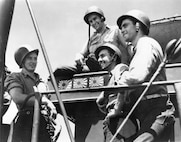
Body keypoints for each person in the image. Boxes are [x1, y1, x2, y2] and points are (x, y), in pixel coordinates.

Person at [115, 10, 175, 142]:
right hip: (146, 112)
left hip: (158, 110)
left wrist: (118, 79)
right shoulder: (139, 48)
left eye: (125, 25)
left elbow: (136, 76)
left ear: (137, 26)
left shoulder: (145, 43)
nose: (122, 30)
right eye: (120, 27)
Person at [54, 6, 129, 81]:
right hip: (91, 67)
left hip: (108, 67)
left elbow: (128, 47)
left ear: (102, 18)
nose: (93, 23)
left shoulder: (114, 30)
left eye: (95, 19)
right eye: (91, 21)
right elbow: (82, 53)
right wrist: (78, 56)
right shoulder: (91, 38)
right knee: (60, 70)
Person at [4, 45, 61, 142]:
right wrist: (42, 100)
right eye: (29, 58)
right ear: (22, 61)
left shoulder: (41, 81)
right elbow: (17, 97)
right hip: (26, 122)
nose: (33, 61)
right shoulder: (15, 77)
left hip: (43, 122)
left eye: (35, 59)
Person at [95, 43, 137, 142]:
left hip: (121, 119)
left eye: (102, 56)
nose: (99, 60)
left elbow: (123, 86)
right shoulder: (111, 77)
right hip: (114, 120)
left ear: (113, 57)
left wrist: (116, 109)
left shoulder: (120, 68)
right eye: (98, 57)